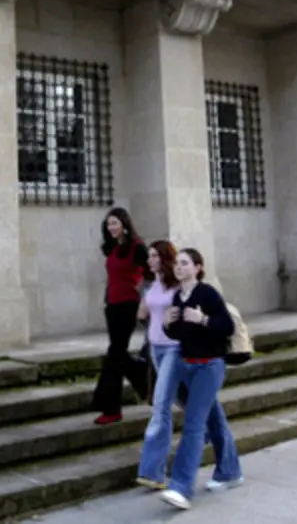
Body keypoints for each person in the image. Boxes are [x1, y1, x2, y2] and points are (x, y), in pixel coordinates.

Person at [160, 248, 242, 510]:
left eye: (185, 263)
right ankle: (229, 471)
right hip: (187, 366)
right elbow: (180, 335)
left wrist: (203, 319)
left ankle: (181, 488)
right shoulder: (177, 296)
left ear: (197, 267)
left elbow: (227, 327)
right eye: (177, 263)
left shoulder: (206, 293)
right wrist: (166, 324)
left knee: (194, 425)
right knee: (213, 419)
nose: (179, 267)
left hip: (210, 366)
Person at [90, 207, 150, 425]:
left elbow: (151, 271)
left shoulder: (137, 247)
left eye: (115, 223)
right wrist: (107, 298)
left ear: (125, 224)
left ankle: (110, 407)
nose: (111, 227)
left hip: (128, 305)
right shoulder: (112, 248)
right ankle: (141, 378)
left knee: (115, 353)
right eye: (108, 224)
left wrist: (142, 287)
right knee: (117, 353)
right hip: (112, 306)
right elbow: (113, 276)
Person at [135, 239, 183, 490]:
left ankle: (152, 471)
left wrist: (171, 316)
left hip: (174, 349)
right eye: (149, 256)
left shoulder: (177, 287)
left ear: (164, 258)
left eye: (154, 256)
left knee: (161, 404)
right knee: (182, 398)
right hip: (155, 348)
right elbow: (143, 315)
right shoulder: (151, 285)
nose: (149, 259)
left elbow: (183, 314)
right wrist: (144, 305)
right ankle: (209, 429)